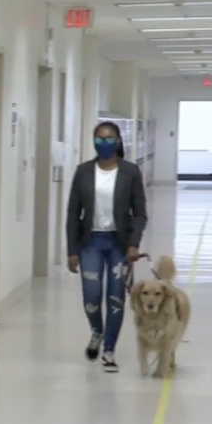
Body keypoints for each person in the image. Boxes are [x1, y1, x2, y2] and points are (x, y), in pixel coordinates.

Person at [65, 121, 147, 373]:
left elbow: (140, 213)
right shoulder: (83, 171)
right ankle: (97, 332)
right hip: (90, 241)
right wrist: (71, 250)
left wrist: (134, 244)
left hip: (118, 244)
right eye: (99, 139)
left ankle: (109, 349)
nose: (104, 143)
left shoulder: (130, 171)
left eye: (109, 138)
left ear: (118, 141)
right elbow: (73, 213)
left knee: (115, 299)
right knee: (91, 296)